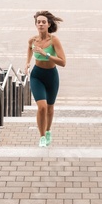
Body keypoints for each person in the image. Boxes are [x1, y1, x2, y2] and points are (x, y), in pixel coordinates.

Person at [25, 10, 66, 147]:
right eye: (38, 22)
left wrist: (45, 54)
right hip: (37, 75)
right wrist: (27, 63)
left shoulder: (54, 41)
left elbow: (63, 62)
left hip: (51, 76)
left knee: (50, 107)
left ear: (48, 24)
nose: (41, 24)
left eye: (44, 22)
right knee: (41, 107)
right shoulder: (32, 40)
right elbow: (30, 49)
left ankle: (48, 131)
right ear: (36, 24)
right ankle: (42, 136)